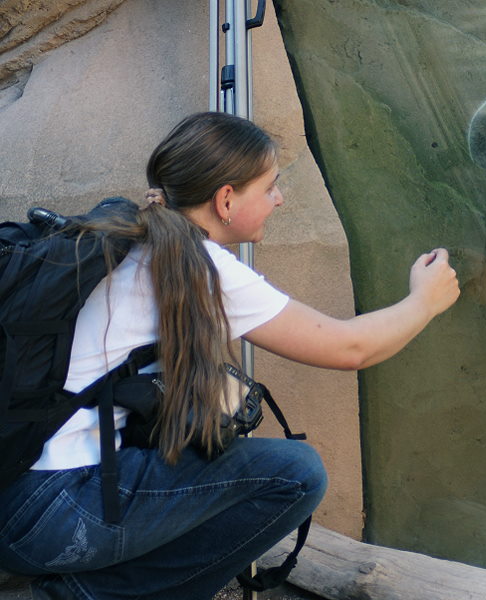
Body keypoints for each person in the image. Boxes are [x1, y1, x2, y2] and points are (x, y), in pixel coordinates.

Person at [0, 112, 460, 599]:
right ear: (225, 199)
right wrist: (423, 301)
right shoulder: (199, 266)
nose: (278, 199)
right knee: (296, 474)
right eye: (270, 187)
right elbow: (350, 347)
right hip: (50, 515)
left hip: (16, 498)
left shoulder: (123, 236)